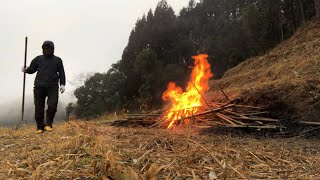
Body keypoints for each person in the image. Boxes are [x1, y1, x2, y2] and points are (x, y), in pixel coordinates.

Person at [22, 41, 66, 134]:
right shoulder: (38, 59)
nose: (47, 50)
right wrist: (26, 70)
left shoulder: (58, 60)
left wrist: (62, 84)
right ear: (42, 49)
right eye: (45, 48)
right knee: (38, 107)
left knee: (52, 105)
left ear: (53, 49)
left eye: (49, 48)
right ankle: (39, 127)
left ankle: (48, 124)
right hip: (39, 86)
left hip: (53, 86)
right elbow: (32, 69)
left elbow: (61, 72)